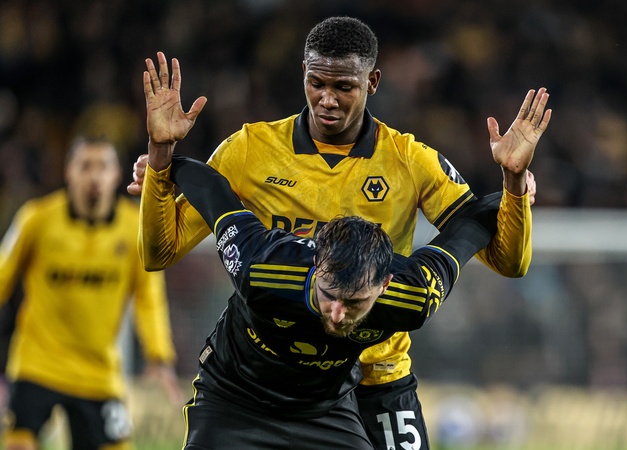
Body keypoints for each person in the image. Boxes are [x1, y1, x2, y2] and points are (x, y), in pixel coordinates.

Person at [131, 16, 551, 450]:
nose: (327, 99)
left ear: (372, 82)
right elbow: (161, 252)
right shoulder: (249, 150)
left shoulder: (411, 160)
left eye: (344, 87)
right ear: (303, 74)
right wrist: (161, 159)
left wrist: (514, 186)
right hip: (272, 365)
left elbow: (507, 261)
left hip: (378, 373)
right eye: (317, 83)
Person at [145, 150, 506, 448]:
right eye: (329, 295)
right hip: (235, 399)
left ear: (385, 285)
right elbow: (213, 191)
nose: (336, 314)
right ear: (317, 267)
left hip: (324, 410)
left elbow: (471, 224)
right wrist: (164, 161)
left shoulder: (413, 296)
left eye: (355, 303)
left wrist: (516, 186)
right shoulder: (263, 269)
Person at [0, 137, 182, 450]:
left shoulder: (134, 228)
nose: (94, 176)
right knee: (19, 444)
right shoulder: (37, 219)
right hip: (37, 363)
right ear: (69, 172)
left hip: (98, 372)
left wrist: (159, 356)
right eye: (85, 166)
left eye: (103, 167)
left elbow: (149, 298)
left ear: (117, 174)